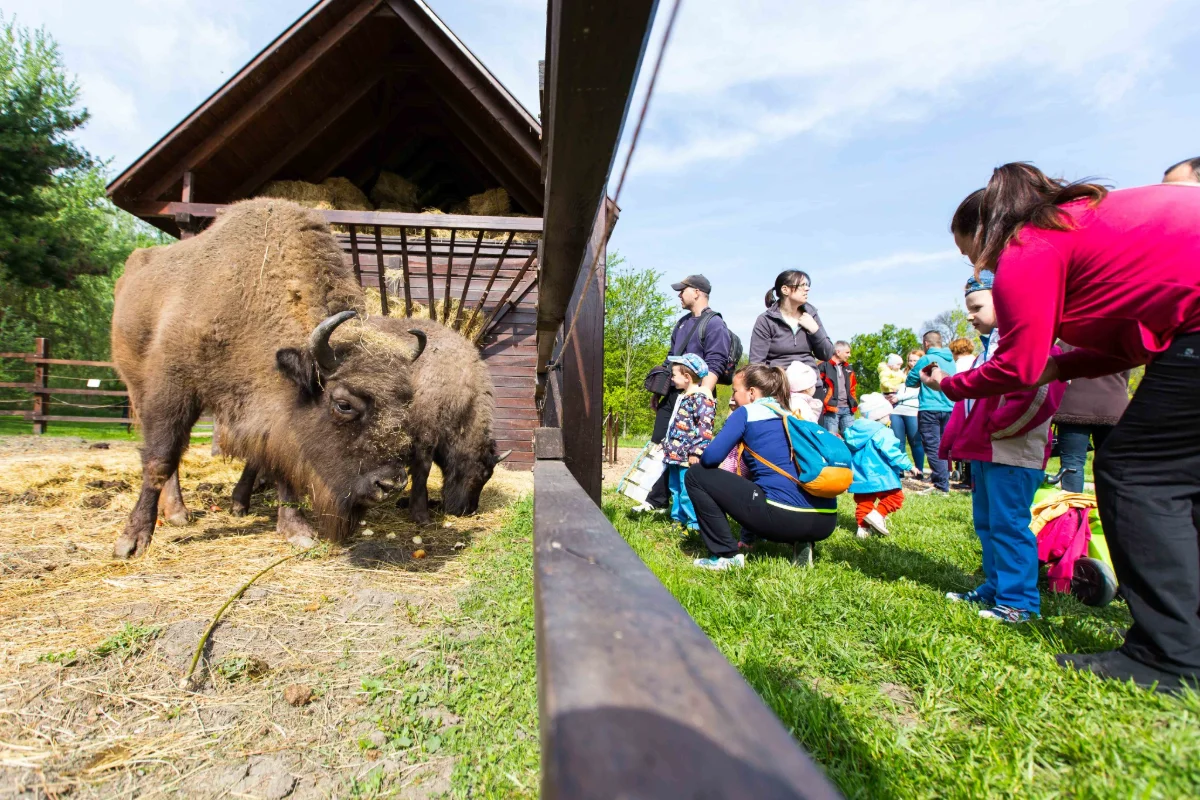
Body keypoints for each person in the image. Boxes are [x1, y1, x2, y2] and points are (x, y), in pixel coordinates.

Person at [922, 162, 1200, 692]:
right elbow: (1134, 344)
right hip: (1186, 327)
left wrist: (951, 388)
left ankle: (1170, 656)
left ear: (986, 231)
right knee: (1183, 477)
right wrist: (1061, 364)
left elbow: (1022, 367)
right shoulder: (1079, 221)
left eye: (971, 252)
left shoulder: (1029, 243)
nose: (981, 267)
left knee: (1141, 477)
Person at [939, 269, 1066, 624]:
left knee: (1009, 524)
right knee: (988, 523)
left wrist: (998, 429)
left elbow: (1041, 393)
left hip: (1011, 451)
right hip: (988, 450)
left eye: (977, 306)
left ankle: (1020, 602)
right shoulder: (989, 349)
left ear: (1006, 298)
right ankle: (996, 587)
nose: (970, 315)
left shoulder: (1034, 341)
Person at [688, 365, 838, 571]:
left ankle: (725, 555)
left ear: (751, 392)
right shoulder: (794, 414)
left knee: (696, 475)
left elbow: (710, 459)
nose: (733, 396)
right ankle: (802, 540)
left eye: (735, 390)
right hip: (825, 520)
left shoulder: (747, 413)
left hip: (784, 517)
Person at [638, 274, 733, 512]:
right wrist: (658, 393)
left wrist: (700, 397)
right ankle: (656, 500)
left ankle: (691, 508)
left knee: (688, 452)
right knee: (660, 442)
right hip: (672, 394)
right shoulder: (681, 323)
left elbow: (717, 361)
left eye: (683, 290)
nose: (679, 294)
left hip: (695, 399)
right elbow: (670, 359)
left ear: (698, 292)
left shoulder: (714, 324)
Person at [1053, 342, 1129, 494]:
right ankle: (1110, 511)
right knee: (1110, 464)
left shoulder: (1070, 340)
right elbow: (1125, 376)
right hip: (1113, 407)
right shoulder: (1120, 342)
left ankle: (1073, 512)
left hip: (1074, 408)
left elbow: (1055, 371)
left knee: (1072, 463)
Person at [844, 393, 920, 539]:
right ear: (880, 415)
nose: (890, 418)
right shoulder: (883, 432)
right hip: (880, 475)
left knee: (864, 502)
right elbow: (893, 453)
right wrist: (909, 466)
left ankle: (863, 531)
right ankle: (877, 516)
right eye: (888, 415)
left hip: (860, 476)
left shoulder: (854, 431)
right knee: (895, 498)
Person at [660, 354, 716, 532]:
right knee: (674, 487)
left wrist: (697, 451)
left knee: (687, 491)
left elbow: (704, 427)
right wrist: (667, 442)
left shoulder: (701, 397)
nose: (672, 378)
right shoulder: (683, 396)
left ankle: (694, 525)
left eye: (674, 374)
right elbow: (675, 424)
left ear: (687, 377)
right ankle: (678, 519)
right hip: (675, 453)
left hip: (688, 455)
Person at [748, 270, 835, 380]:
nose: (807, 289)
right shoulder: (766, 320)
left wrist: (815, 330)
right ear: (785, 290)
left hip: (810, 386)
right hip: (779, 387)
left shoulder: (811, 314)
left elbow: (827, 354)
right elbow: (756, 364)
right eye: (802, 285)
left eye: (807, 285)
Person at [906, 332, 956, 492]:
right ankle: (941, 478)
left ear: (926, 343)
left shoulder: (927, 359)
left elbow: (911, 380)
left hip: (929, 408)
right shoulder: (951, 360)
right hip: (949, 406)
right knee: (943, 445)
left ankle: (942, 485)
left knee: (933, 445)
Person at [891, 350, 925, 479]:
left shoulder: (924, 373)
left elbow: (919, 391)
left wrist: (899, 397)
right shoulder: (902, 373)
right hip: (897, 410)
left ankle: (919, 471)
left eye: (915, 360)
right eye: (910, 360)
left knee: (915, 441)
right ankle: (900, 470)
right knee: (898, 441)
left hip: (913, 410)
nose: (912, 363)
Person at [817, 341, 858, 435]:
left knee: (851, 440)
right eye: (847, 352)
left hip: (848, 409)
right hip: (831, 410)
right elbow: (817, 387)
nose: (850, 355)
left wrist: (854, 402)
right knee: (832, 439)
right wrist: (823, 404)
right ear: (838, 352)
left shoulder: (849, 368)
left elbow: (852, 388)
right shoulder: (823, 366)